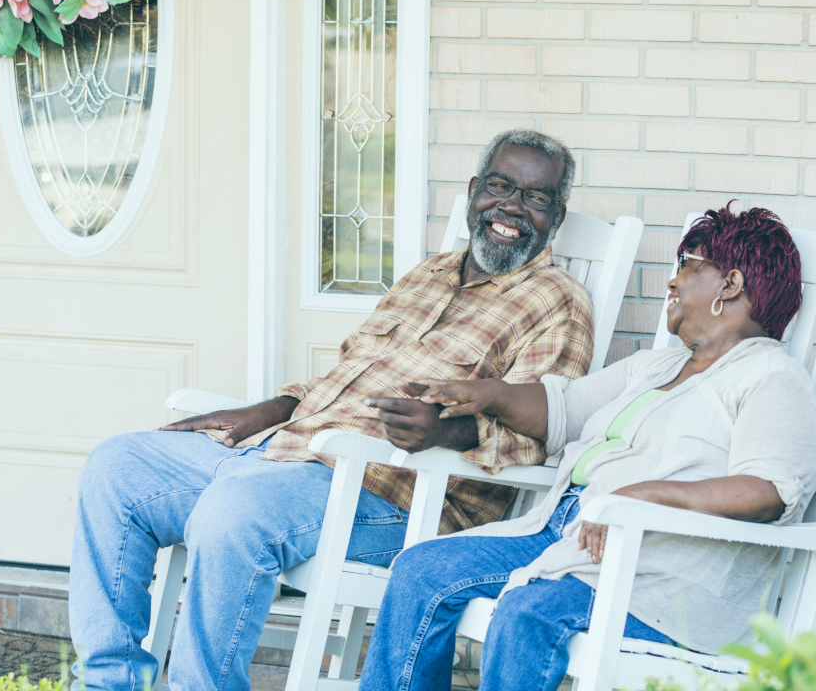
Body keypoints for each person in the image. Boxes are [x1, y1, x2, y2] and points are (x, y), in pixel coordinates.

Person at [68, 129, 596, 691]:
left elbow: (543, 434)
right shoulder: (428, 273)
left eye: (534, 199)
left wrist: (448, 431)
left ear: (555, 218)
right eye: (499, 186)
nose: (510, 208)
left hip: (390, 494)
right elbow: (347, 371)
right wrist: (270, 408)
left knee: (235, 510)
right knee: (116, 467)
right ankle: (107, 683)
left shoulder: (557, 303)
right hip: (285, 451)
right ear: (473, 192)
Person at [360, 204, 816, 691]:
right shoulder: (653, 368)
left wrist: (640, 496)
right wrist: (486, 393)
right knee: (419, 571)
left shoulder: (772, 378)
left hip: (658, 579)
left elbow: (769, 490)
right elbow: (559, 410)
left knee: (528, 614)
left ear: (730, 284)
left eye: (687, 265)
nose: (672, 283)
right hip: (562, 535)